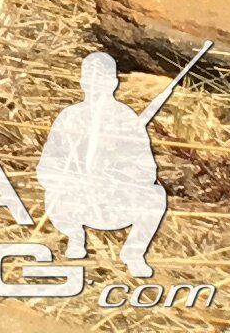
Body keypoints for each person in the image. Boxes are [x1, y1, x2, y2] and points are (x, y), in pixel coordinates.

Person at [38, 53, 167, 276]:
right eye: (90, 79)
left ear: (114, 82)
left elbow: (146, 170)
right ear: (81, 81)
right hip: (76, 199)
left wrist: (115, 178)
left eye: (102, 79)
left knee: (156, 196)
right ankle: (75, 238)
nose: (95, 85)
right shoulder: (69, 116)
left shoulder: (126, 118)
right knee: (52, 194)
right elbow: (48, 162)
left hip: (114, 200)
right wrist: (69, 179)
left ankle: (133, 253)